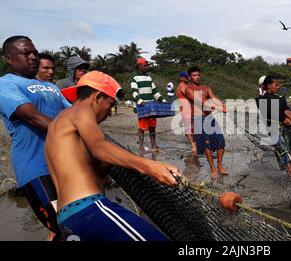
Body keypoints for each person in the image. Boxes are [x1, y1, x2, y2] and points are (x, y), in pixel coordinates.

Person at [46, 70, 181, 241]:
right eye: (110, 105)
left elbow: (92, 169)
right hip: (90, 209)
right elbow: (99, 147)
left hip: (67, 218)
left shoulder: (56, 125)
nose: (109, 113)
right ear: (97, 96)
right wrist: (150, 166)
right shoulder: (82, 110)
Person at [0, 36, 71, 240]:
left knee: (72, 223)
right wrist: (78, 131)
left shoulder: (52, 87)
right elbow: (33, 117)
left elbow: (73, 114)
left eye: (35, 53)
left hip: (65, 165)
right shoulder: (5, 84)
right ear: (8, 59)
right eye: (26, 53)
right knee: (64, 227)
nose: (33, 57)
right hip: (36, 170)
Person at [255, 75, 291, 185]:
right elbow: (269, 112)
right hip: (273, 130)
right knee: (286, 154)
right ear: (268, 85)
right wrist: (283, 118)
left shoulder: (278, 99)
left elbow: (285, 108)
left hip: (284, 129)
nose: (279, 86)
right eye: (276, 85)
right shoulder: (260, 100)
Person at [184, 66, 227, 177]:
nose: (197, 77)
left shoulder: (206, 88)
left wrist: (222, 105)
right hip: (198, 119)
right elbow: (200, 101)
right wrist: (214, 106)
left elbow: (214, 98)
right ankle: (212, 168)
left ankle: (220, 166)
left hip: (210, 118)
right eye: (194, 75)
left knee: (221, 141)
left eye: (198, 75)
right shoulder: (188, 89)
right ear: (189, 77)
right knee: (207, 144)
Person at [131, 57, 166, 156]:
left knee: (152, 127)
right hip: (142, 107)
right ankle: (141, 146)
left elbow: (155, 92)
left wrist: (162, 100)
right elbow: (134, 91)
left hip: (151, 106)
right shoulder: (135, 78)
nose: (147, 67)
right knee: (142, 128)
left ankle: (154, 146)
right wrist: (140, 100)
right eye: (145, 65)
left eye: (147, 65)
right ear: (139, 66)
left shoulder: (149, 78)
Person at [175, 71, 196, 155]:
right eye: (186, 77)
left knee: (192, 126)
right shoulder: (182, 85)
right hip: (185, 107)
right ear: (181, 78)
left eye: (188, 77)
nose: (188, 78)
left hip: (189, 107)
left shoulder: (186, 85)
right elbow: (189, 95)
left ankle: (194, 142)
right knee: (188, 126)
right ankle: (193, 145)